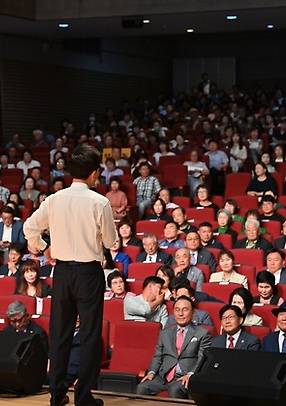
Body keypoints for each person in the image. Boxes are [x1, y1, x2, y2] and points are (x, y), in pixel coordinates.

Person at [23, 144, 117, 406]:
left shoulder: (54, 199)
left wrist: (45, 248)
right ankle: (83, 397)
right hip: (88, 273)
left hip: (62, 272)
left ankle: (56, 395)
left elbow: (29, 228)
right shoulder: (100, 201)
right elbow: (111, 240)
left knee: (61, 334)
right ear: (94, 172)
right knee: (88, 336)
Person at [136, 296, 212, 399]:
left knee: (175, 390)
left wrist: (191, 374)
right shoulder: (165, 333)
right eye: (177, 310)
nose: (180, 314)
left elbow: (202, 358)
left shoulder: (202, 333)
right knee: (142, 387)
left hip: (184, 376)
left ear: (193, 312)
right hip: (163, 376)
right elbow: (157, 356)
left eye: (185, 310)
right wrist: (152, 372)